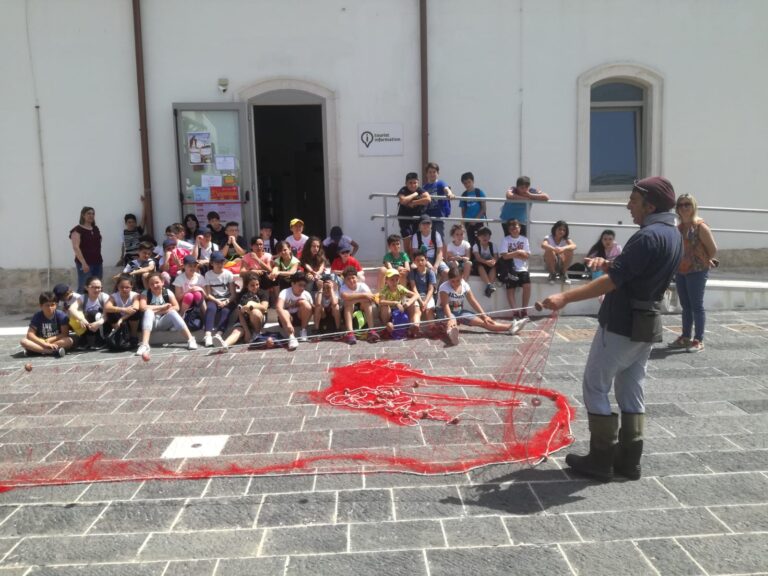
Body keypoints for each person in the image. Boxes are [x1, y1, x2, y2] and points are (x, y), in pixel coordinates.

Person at [542, 176, 682, 482]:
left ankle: (601, 459)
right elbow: (639, 272)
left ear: (650, 206)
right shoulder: (673, 234)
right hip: (647, 322)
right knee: (631, 388)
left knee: (595, 385)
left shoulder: (646, 237)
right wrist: (609, 265)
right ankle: (629, 461)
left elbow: (614, 283)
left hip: (621, 322)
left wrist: (565, 297)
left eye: (634, 200)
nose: (628, 206)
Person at [669, 193, 718, 353]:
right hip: (681, 270)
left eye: (687, 204)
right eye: (680, 205)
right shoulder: (679, 228)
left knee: (696, 305)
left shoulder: (700, 226)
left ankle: (698, 339)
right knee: (685, 306)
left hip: (697, 270)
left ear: (693, 206)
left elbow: (713, 249)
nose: (684, 208)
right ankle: (685, 337)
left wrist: (703, 260)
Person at [438, 267, 522, 346]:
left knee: (484, 322)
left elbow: (473, 301)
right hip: (445, 311)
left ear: (462, 277)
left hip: (459, 312)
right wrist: (450, 318)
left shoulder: (465, 285)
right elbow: (445, 305)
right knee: (452, 322)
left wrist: (484, 316)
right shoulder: (444, 287)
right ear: (448, 279)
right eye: (452, 281)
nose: (455, 283)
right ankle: (452, 335)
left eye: (458, 280)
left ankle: (511, 327)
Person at [136, 272, 198, 357]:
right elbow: (142, 307)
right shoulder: (145, 293)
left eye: (157, 282)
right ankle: (145, 344)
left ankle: (190, 339)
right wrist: (162, 307)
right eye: (151, 284)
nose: (154, 285)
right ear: (149, 285)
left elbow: (176, 307)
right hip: (150, 323)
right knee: (148, 312)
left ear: (162, 282)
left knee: (172, 312)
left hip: (163, 322)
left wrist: (160, 311)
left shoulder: (167, 292)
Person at [215, 272, 268, 350]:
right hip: (244, 320)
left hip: (258, 319)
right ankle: (224, 345)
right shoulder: (242, 295)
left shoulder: (263, 292)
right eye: (252, 285)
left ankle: (256, 335)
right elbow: (240, 314)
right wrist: (247, 331)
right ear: (247, 286)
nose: (255, 287)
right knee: (237, 331)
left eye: (257, 284)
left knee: (255, 312)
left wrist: (252, 305)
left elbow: (264, 308)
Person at [20, 292, 74, 357]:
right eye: (47, 305)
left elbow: (64, 334)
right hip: (41, 341)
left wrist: (50, 340)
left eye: (52, 305)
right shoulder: (37, 316)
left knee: (69, 340)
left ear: (56, 305)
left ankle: (37, 350)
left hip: (55, 341)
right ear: (41, 306)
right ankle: (51, 351)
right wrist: (44, 344)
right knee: (23, 341)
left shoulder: (61, 315)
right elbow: (30, 334)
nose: (50, 308)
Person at [202, 251, 237, 347]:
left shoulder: (228, 274)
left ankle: (219, 334)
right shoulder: (208, 275)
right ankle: (208, 335)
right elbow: (208, 294)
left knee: (226, 311)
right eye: (217, 262)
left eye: (221, 262)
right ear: (212, 263)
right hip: (214, 299)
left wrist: (226, 301)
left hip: (227, 299)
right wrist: (217, 301)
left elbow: (233, 294)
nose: (220, 264)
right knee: (210, 308)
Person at [499, 219, 532, 319]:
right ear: (509, 230)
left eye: (516, 227)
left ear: (520, 228)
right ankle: (515, 312)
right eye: (512, 228)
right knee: (510, 289)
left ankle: (524, 310)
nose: (514, 230)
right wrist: (518, 252)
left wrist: (512, 254)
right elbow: (504, 256)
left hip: (522, 268)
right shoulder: (506, 240)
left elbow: (526, 256)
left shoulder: (524, 239)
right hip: (510, 268)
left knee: (527, 286)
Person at [339, 266, 380, 345]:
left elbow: (370, 297)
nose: (351, 280)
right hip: (348, 311)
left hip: (361, 308)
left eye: (353, 278)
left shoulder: (362, 285)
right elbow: (345, 297)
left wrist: (354, 299)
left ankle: (371, 330)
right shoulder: (343, 288)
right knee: (348, 304)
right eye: (348, 279)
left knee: (367, 303)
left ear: (357, 278)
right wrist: (363, 295)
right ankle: (350, 333)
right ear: (345, 280)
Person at [68, 276, 109, 349]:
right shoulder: (83, 297)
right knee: (74, 317)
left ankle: (99, 340)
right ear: (86, 288)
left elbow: (107, 315)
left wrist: (99, 323)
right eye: (93, 287)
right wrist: (81, 319)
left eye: (99, 287)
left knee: (93, 313)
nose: (97, 290)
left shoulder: (104, 297)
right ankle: (85, 340)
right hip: (88, 324)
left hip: (102, 323)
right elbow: (72, 309)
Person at [276, 271, 314, 350]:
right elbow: (279, 307)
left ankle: (303, 331)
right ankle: (291, 337)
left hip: (300, 318)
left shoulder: (306, 294)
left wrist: (301, 303)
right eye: (300, 285)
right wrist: (288, 323)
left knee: (305, 304)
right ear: (292, 283)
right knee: (284, 311)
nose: (302, 288)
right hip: (286, 319)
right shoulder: (285, 292)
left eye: (304, 286)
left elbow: (311, 309)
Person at [396, 172, 431, 255]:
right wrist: (414, 194)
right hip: (404, 218)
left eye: (415, 183)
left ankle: (416, 258)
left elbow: (428, 199)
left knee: (416, 239)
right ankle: (408, 258)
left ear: (418, 183)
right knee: (407, 237)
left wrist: (414, 202)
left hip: (416, 218)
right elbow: (403, 200)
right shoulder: (403, 190)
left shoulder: (420, 190)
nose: (413, 185)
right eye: (410, 183)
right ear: (406, 183)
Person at [70, 206, 103, 292]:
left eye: (93, 214)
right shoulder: (77, 230)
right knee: (84, 287)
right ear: (83, 215)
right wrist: (83, 263)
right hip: (85, 263)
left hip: (97, 262)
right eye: (88, 213)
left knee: (97, 287)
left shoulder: (95, 229)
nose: (91, 215)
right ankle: (81, 301)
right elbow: (76, 247)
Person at [377, 268, 418, 337]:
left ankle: (410, 326)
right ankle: (386, 328)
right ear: (386, 280)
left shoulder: (400, 288)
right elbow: (381, 301)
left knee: (412, 303)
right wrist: (395, 303)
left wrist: (408, 303)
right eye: (392, 280)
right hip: (389, 314)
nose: (395, 282)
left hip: (399, 312)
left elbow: (416, 295)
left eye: (397, 279)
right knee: (384, 307)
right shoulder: (384, 290)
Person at [104, 273, 142, 348]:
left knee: (136, 313)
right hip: (118, 320)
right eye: (122, 287)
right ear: (118, 286)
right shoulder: (114, 296)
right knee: (110, 312)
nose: (124, 289)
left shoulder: (135, 295)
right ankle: (118, 334)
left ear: (131, 287)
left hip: (129, 319)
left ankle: (133, 336)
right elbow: (107, 307)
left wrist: (121, 319)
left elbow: (136, 308)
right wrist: (124, 309)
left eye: (127, 287)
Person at [410, 215, 449, 281]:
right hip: (422, 260)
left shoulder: (436, 234)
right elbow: (415, 253)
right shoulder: (416, 236)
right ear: (419, 225)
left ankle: (439, 287)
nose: (426, 225)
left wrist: (436, 266)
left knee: (447, 273)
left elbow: (439, 252)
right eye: (423, 223)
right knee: (417, 268)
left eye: (428, 223)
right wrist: (428, 264)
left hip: (436, 259)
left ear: (431, 225)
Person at [423, 162, 455, 238]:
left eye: (434, 172)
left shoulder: (440, 183)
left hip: (438, 215)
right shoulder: (424, 187)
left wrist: (450, 193)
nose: (432, 174)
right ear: (427, 174)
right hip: (428, 216)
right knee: (427, 237)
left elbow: (446, 189)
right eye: (430, 172)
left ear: (438, 173)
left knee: (438, 236)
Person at [408, 251, 437, 336]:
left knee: (429, 311)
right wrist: (421, 302)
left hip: (428, 296)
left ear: (426, 260)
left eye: (422, 260)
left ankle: (433, 328)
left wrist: (425, 302)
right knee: (417, 311)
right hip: (417, 296)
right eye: (417, 260)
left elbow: (431, 289)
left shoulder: (430, 273)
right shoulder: (412, 273)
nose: (420, 262)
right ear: (414, 261)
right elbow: (414, 288)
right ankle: (416, 327)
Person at [542, 220, 577, 284]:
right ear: (555, 229)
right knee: (549, 250)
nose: (562, 231)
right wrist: (554, 249)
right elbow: (543, 245)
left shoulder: (566, 239)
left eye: (564, 230)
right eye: (560, 229)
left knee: (570, 251)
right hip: (550, 264)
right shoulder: (548, 237)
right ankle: (553, 274)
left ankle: (563, 273)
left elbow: (574, 246)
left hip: (561, 263)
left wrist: (563, 248)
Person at [459, 172, 487, 243]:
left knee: (480, 241)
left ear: (473, 181)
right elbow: (463, 210)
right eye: (465, 183)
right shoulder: (464, 195)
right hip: (468, 223)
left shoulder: (479, 192)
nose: (467, 184)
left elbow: (483, 208)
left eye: (469, 182)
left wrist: (475, 220)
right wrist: (464, 222)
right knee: (471, 241)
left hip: (479, 222)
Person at [471, 226, 498, 298]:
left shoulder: (493, 245)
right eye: (482, 236)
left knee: (495, 266)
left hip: (490, 265)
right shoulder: (476, 246)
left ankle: (489, 287)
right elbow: (478, 258)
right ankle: (488, 284)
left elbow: (496, 257)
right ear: (478, 237)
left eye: (486, 235)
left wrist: (493, 261)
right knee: (478, 264)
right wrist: (487, 262)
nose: (484, 237)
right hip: (481, 265)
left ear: (489, 237)